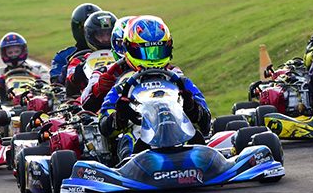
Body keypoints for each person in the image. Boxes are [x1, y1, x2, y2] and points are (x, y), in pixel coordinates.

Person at [99, 16, 210, 162]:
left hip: (179, 130)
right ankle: (132, 164)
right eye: (147, 52)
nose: (152, 59)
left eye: (157, 51)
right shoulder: (123, 85)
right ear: (130, 48)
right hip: (141, 134)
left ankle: (198, 159)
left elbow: (206, 122)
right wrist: (119, 116)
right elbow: (104, 126)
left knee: (194, 132)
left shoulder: (180, 81)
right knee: (132, 136)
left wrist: (191, 108)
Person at [80, 14, 137, 112]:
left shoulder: (168, 70)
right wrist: (98, 89)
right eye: (129, 46)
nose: (105, 39)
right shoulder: (105, 71)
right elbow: (84, 102)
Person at [64, 10, 117, 98]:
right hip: (89, 100)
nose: (106, 39)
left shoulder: (123, 56)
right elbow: (70, 88)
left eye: (109, 34)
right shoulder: (79, 60)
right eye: (101, 35)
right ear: (90, 36)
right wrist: (77, 75)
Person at [50, 3, 101, 84]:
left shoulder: (116, 54)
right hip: (78, 94)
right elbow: (56, 85)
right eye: (86, 28)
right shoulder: (64, 56)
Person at [0, 32, 47, 100]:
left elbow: (47, 86)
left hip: (34, 100)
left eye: (17, 51)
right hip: (7, 103)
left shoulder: (38, 70)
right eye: (10, 53)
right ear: (4, 54)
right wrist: (0, 85)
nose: (14, 55)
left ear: (23, 51)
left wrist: (38, 81)